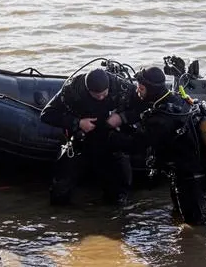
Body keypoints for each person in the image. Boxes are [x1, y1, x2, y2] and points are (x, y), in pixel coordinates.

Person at [108, 67, 206, 226]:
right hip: (186, 170)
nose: (137, 91)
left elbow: (137, 144)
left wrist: (112, 137)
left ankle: (198, 248)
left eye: (140, 88)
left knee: (197, 225)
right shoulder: (175, 99)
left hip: (189, 176)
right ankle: (185, 244)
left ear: (150, 89)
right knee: (182, 215)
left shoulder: (162, 117)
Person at [40, 67, 140, 206]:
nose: (100, 98)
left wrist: (122, 117)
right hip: (81, 140)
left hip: (112, 140)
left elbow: (143, 109)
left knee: (119, 193)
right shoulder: (72, 90)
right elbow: (47, 114)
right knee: (60, 190)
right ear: (88, 90)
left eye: (104, 95)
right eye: (96, 95)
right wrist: (78, 123)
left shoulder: (122, 87)